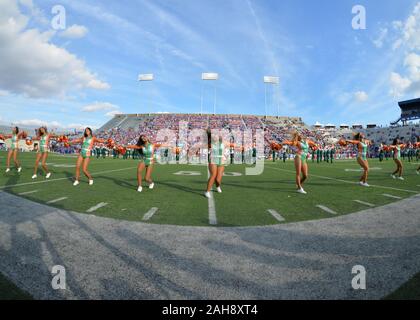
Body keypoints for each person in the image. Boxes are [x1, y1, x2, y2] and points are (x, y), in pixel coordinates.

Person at [205, 130, 227, 199]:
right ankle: (207, 191)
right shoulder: (210, 143)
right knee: (213, 175)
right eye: (214, 136)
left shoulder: (224, 143)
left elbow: (234, 145)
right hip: (213, 160)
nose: (215, 137)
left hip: (221, 161)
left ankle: (218, 186)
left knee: (218, 179)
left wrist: (242, 147)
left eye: (216, 136)